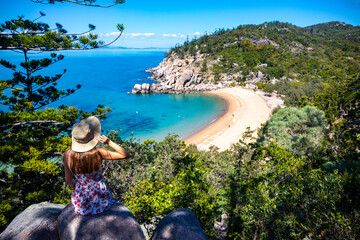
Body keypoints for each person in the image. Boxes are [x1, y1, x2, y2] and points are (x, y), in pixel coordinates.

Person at [63, 116, 130, 215]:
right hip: (101, 197)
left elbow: (68, 181)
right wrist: (109, 142)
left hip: (82, 201)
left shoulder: (68, 155)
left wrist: (79, 188)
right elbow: (125, 155)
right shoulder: (99, 153)